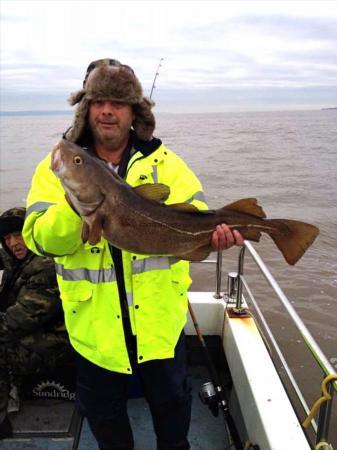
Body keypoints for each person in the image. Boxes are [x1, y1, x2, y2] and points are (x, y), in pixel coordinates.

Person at [23, 58, 244, 450]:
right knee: (109, 432)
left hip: (159, 330)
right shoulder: (57, 169)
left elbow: (198, 218)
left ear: (135, 111)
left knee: (173, 426)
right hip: (95, 336)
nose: (107, 111)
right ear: (86, 108)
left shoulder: (168, 166)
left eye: (118, 102)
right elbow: (38, 239)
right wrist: (75, 208)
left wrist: (216, 237)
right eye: (98, 101)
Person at [0, 207, 73, 439]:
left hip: (57, 343)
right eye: (7, 238)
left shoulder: (45, 267)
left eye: (19, 234)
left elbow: (17, 321)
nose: (14, 243)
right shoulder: (18, 260)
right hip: (34, 332)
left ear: (33, 233)